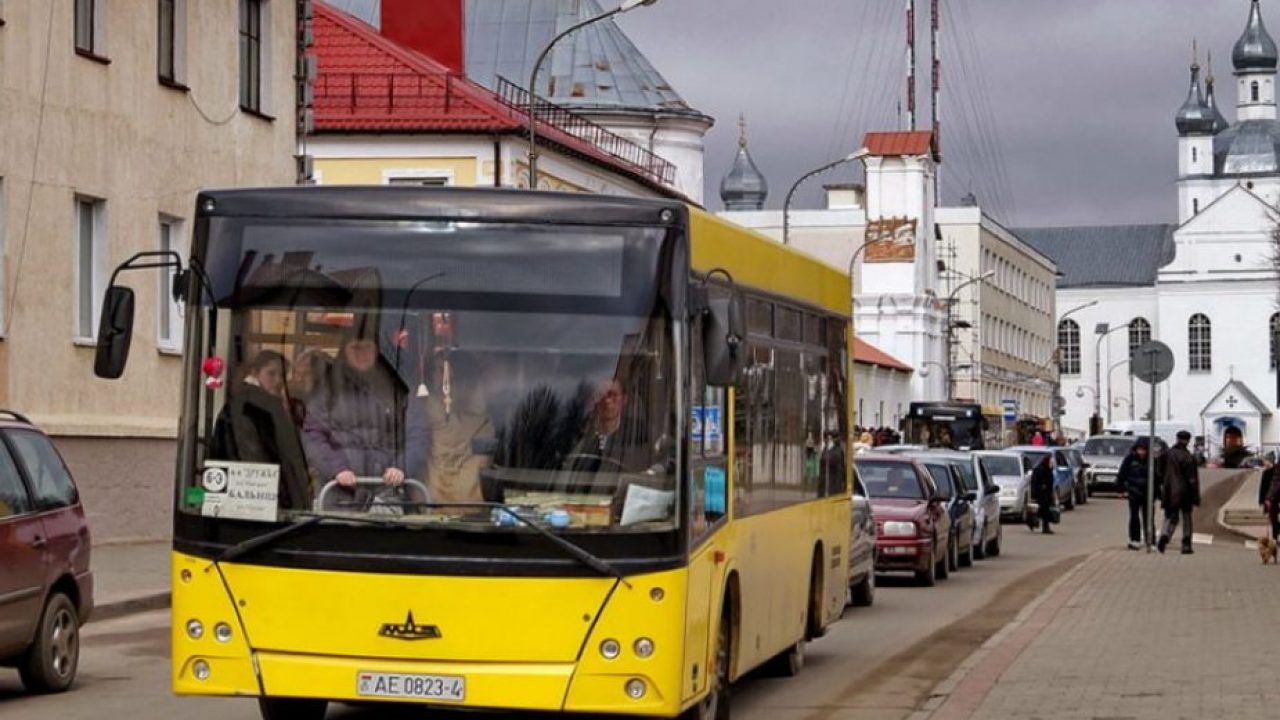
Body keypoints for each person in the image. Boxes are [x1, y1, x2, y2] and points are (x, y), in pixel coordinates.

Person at [302, 316, 409, 504]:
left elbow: (408, 434)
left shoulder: (394, 387)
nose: (362, 354)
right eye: (355, 348)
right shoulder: (328, 389)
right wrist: (337, 468)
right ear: (345, 351)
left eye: (367, 347)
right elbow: (314, 435)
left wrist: (399, 466)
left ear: (377, 351)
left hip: (384, 491)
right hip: (338, 489)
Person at [208, 349, 311, 510]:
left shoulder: (266, 404)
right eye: (271, 374)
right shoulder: (251, 406)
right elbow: (253, 458)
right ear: (255, 373)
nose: (278, 381)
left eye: (282, 375)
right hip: (254, 497)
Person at [564, 378, 650, 475]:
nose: (607, 400)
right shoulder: (577, 433)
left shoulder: (640, 435)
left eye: (612, 395)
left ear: (624, 399)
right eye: (601, 395)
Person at [1157, 430, 1200, 554]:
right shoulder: (1188, 457)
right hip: (1185, 492)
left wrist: (1163, 485)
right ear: (1187, 441)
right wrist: (1195, 496)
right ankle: (1186, 544)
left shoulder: (1167, 454)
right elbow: (1192, 479)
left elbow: (1159, 472)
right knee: (1186, 518)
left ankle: (1164, 536)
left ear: (1177, 439)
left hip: (1169, 490)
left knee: (1169, 516)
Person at [1117, 438, 1153, 549]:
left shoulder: (1151, 460)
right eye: (1139, 450)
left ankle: (1150, 540)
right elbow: (1122, 474)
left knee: (1148, 517)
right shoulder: (1130, 459)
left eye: (1143, 450)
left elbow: (1157, 476)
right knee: (1134, 516)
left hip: (1148, 493)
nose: (1141, 452)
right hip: (1134, 492)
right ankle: (1134, 539)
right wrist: (1121, 489)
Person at [1027, 453, 1055, 534]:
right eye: (1050, 461)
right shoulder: (1040, 469)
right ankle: (1043, 527)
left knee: (1044, 511)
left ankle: (1043, 526)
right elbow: (1036, 482)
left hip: (1047, 494)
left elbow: (1050, 482)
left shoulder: (1049, 469)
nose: (1052, 463)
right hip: (1041, 495)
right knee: (1043, 511)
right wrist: (1041, 488)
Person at [1260, 458, 1280, 543]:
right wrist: (1267, 498)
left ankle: (1275, 536)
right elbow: (1275, 482)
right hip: (1275, 497)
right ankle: (1275, 537)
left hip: (1274, 497)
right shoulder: (1272, 471)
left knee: (1274, 518)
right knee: (1273, 518)